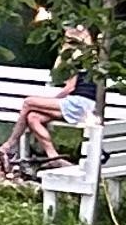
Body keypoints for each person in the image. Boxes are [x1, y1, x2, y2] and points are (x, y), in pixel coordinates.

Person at [8, 26, 106, 172]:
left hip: (81, 103)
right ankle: (55, 158)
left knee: (28, 102)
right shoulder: (93, 59)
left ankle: (10, 144)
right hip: (83, 108)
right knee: (33, 117)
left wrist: (53, 101)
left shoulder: (82, 60)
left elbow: (69, 89)